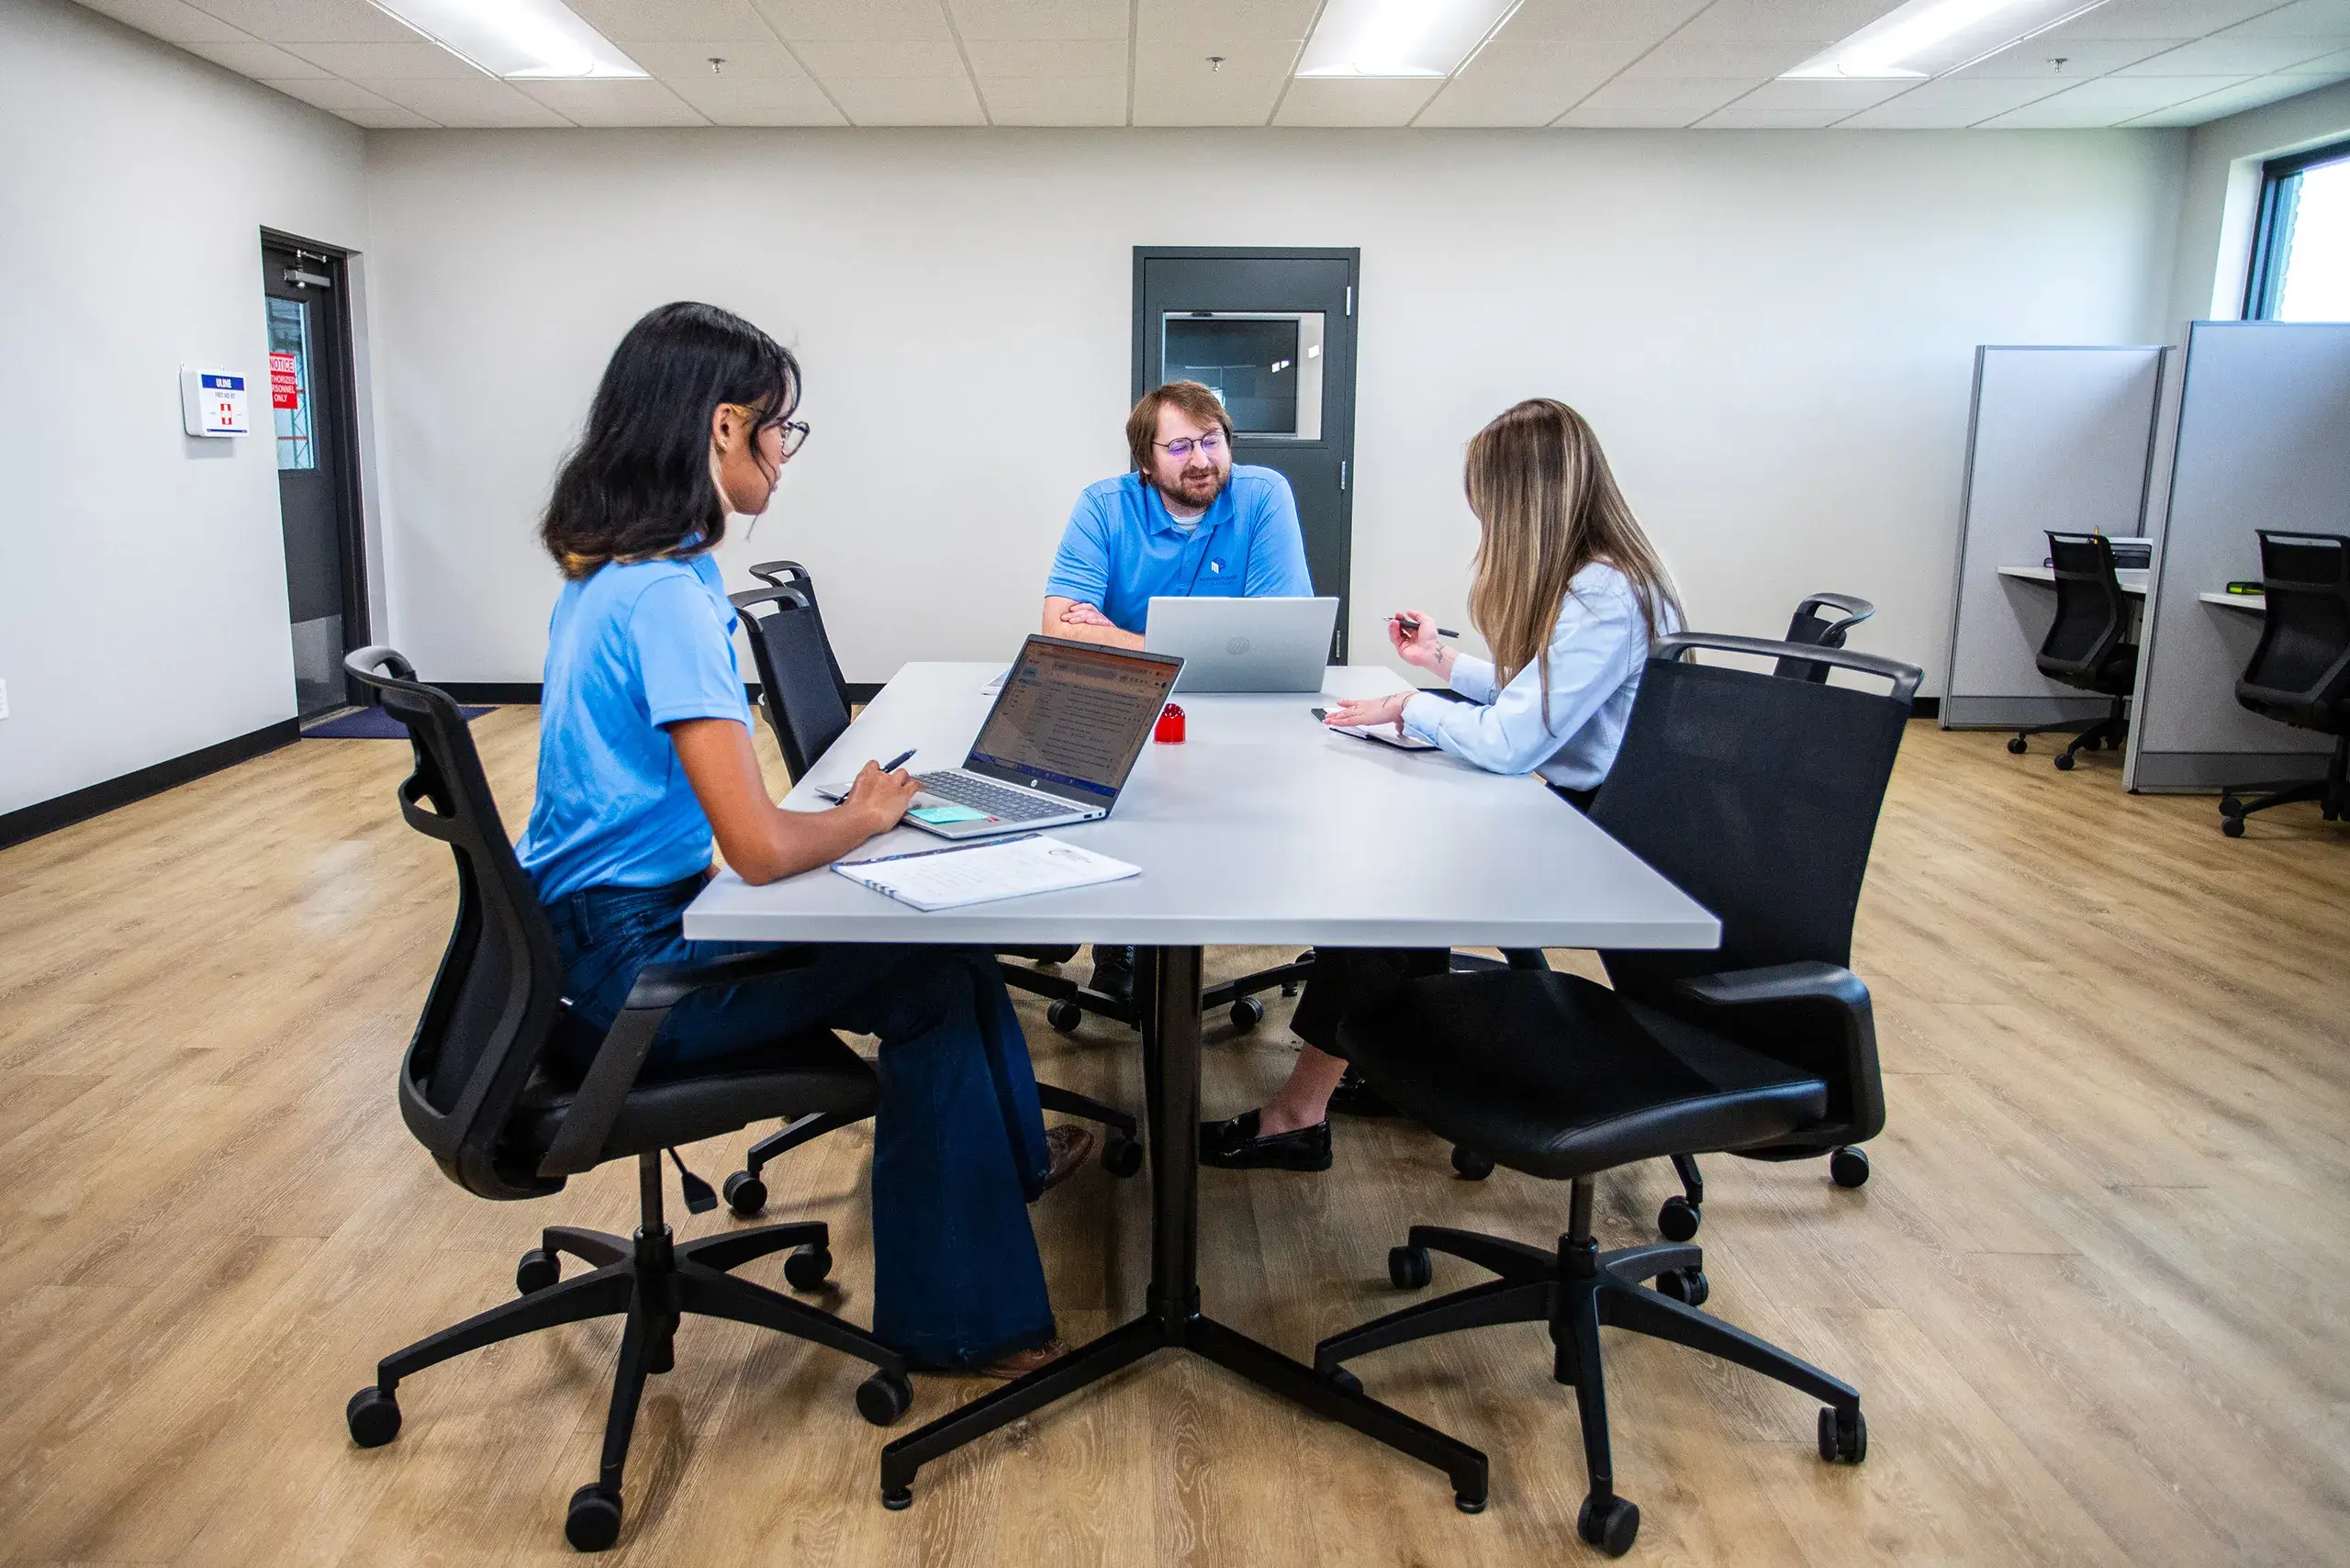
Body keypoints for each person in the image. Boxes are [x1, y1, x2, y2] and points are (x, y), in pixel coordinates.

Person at [515, 301, 1086, 1376]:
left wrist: (848, 817)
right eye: (782, 428)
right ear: (725, 428)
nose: (786, 453)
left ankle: (1002, 1173)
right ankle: (956, 1321)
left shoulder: (607, 577)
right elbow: (762, 849)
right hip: (636, 971)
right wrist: (866, 817)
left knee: (948, 961)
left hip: (584, 943)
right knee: (930, 977)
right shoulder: (672, 599)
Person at [1201, 398, 1685, 1171]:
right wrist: (1441, 666)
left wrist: (1411, 706)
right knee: (1394, 859)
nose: (1485, 523)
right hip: (1562, 802)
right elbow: (1542, 697)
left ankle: (1298, 1114)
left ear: (1526, 500)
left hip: (1581, 831)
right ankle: (1395, 1071)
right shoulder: (1603, 580)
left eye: (1488, 505)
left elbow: (1513, 740)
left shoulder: (1603, 593)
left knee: (1379, 894)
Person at [1043, 379, 1315, 1002]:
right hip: (1125, 708)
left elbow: (1276, 635)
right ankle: (1118, 938)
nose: (1201, 459)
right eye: (1181, 446)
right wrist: (1214, 649)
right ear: (1145, 461)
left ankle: (1202, 923)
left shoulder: (1263, 494)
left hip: (1236, 713)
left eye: (1213, 440)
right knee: (1127, 803)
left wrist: (1124, 638)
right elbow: (1060, 627)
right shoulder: (1104, 506)